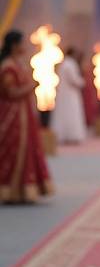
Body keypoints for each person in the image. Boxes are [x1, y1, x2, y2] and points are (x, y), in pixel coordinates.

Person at [0, 30, 54, 203]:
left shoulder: (19, 64)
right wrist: (31, 87)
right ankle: (9, 191)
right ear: (14, 45)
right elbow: (9, 92)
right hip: (11, 115)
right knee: (12, 150)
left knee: (27, 149)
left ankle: (23, 191)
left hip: (24, 114)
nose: (24, 47)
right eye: (22, 43)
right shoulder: (8, 66)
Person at [51, 47, 87, 143]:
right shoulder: (71, 64)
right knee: (72, 113)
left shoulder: (63, 64)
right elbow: (74, 80)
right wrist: (82, 82)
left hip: (64, 94)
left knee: (64, 113)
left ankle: (64, 135)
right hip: (71, 94)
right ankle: (72, 135)